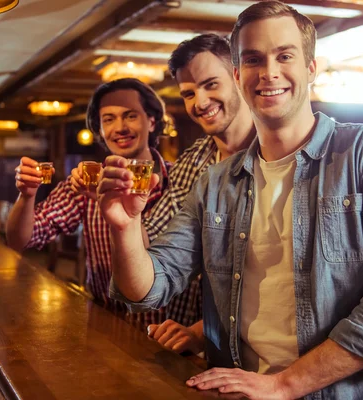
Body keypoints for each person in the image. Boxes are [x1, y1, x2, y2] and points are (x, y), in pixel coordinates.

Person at [97, 1, 363, 398]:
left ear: (311, 67)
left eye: (284, 55)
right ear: (239, 75)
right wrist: (125, 227)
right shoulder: (215, 182)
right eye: (254, 59)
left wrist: (285, 384)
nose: (269, 72)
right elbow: (148, 290)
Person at [5, 78, 175, 327]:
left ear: (151, 121)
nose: (120, 127)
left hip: (171, 336)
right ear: (100, 129)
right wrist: (27, 195)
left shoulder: (181, 180)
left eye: (130, 116)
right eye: (108, 119)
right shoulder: (88, 182)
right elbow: (21, 239)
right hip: (108, 326)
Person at [141, 34, 255, 355]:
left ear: (237, 76)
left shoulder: (275, 154)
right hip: (194, 345)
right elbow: (156, 247)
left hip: (257, 354)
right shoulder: (194, 159)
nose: (199, 102)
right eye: (189, 93)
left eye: (210, 84)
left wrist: (205, 330)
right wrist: (128, 215)